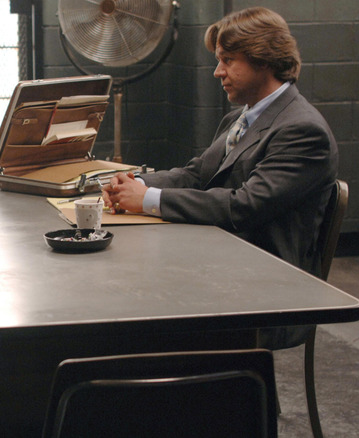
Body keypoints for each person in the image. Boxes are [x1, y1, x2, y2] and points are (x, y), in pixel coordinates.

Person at [103, 7, 338, 280]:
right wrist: (134, 185)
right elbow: (195, 174)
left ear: (263, 59)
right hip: (227, 262)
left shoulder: (303, 130)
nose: (218, 72)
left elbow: (245, 206)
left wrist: (147, 200)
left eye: (228, 60)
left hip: (267, 284)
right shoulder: (239, 118)